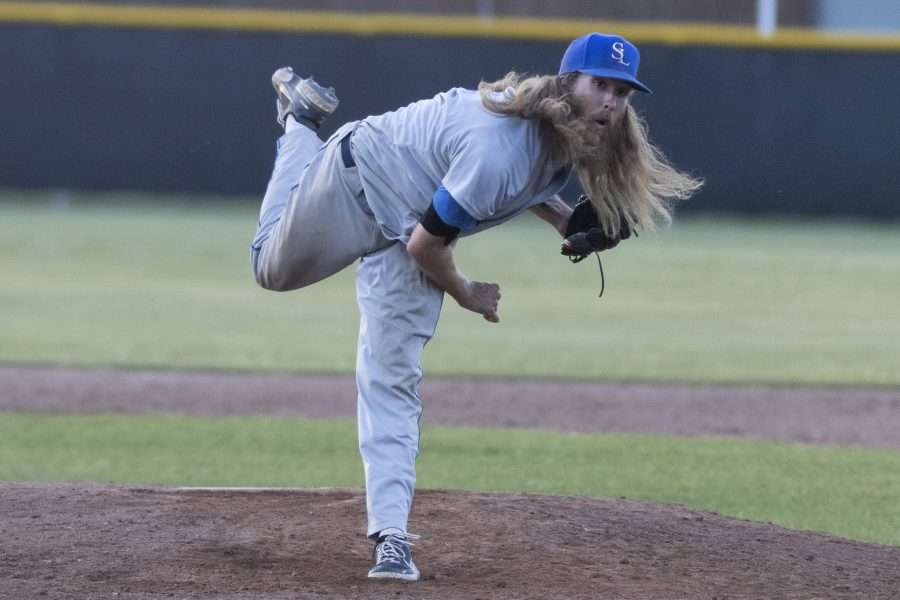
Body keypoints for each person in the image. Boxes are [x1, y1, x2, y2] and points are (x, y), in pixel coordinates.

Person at [250, 32, 702, 581]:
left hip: (412, 221)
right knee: (269, 269)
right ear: (569, 84)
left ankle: (390, 537)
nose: (611, 100)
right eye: (599, 84)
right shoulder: (501, 148)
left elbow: (514, 188)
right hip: (358, 181)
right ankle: (300, 126)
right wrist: (467, 292)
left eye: (623, 91)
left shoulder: (560, 142)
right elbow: (429, 244)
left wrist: (563, 220)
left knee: (391, 376)